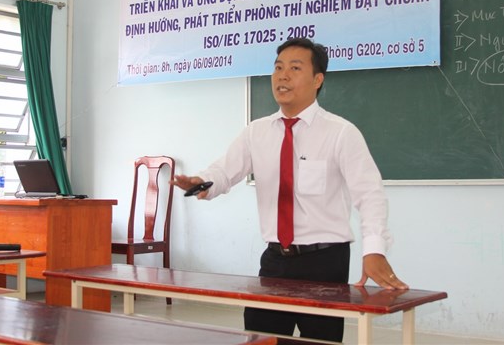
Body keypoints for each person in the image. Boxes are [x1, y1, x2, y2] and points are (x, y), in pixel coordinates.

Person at [172, 37, 408, 342]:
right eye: (278, 68)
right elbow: (224, 171)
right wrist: (202, 181)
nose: (282, 76)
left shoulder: (341, 133)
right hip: (275, 260)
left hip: (324, 262)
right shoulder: (257, 131)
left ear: (317, 80)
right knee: (261, 339)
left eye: (295, 68)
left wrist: (374, 250)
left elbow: (370, 194)